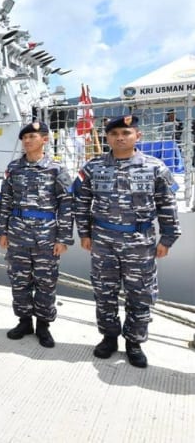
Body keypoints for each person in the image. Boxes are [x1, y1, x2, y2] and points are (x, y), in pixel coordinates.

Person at [74, 115, 181, 367]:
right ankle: (109, 337)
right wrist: (85, 234)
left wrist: (168, 237)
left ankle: (134, 342)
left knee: (140, 293)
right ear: (107, 137)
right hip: (103, 241)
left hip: (139, 241)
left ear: (137, 136)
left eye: (125, 132)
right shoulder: (93, 167)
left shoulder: (155, 167)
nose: (120, 138)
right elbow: (81, 203)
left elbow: (167, 204)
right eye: (114, 134)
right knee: (104, 291)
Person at [0, 121, 73, 348]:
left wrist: (63, 238)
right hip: (18, 234)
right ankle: (24, 321)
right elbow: (5, 201)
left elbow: (66, 204)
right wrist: (3, 231)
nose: (27, 140)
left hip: (46, 236)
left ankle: (43, 325)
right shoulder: (14, 168)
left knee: (46, 282)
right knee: (19, 281)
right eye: (25, 137)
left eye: (32, 136)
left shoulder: (56, 169)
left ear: (45, 140)